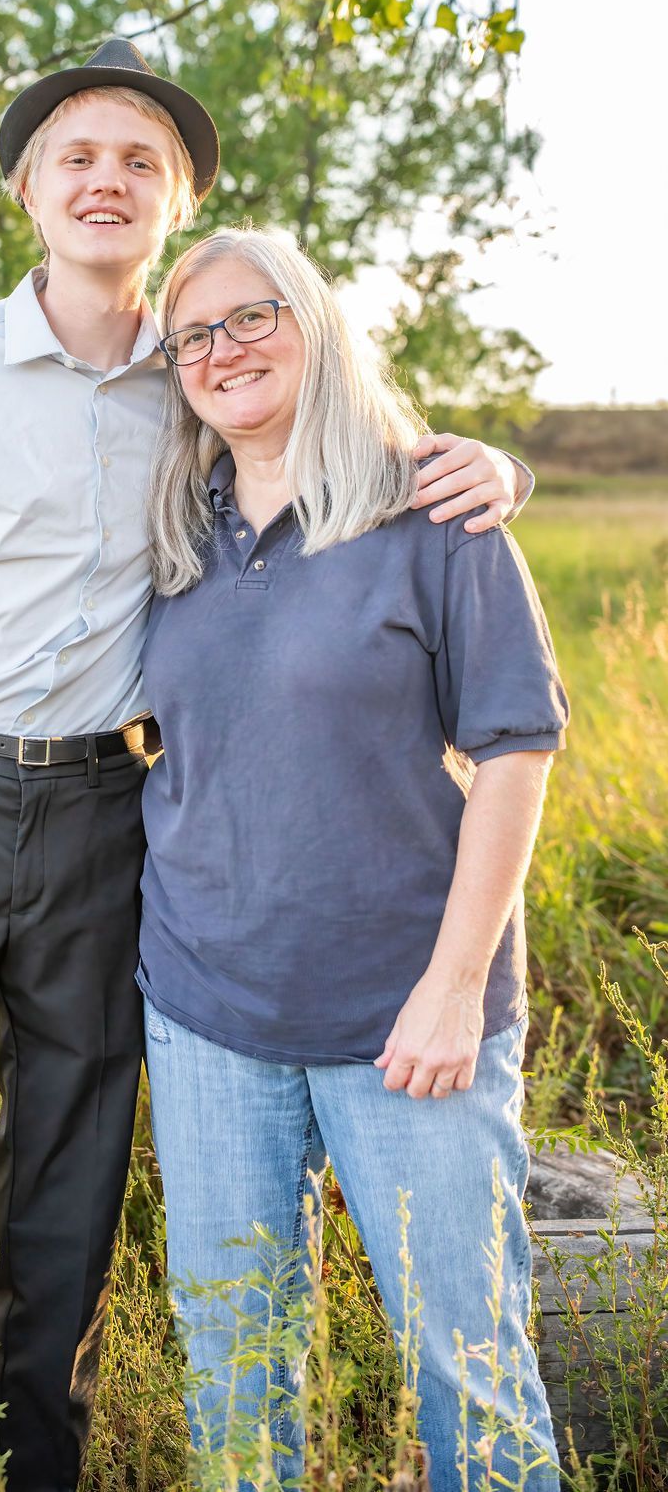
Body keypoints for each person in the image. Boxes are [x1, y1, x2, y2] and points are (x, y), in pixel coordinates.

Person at [0, 40, 536, 1490]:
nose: (107, 179)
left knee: (62, 1210)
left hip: (106, 820)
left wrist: (492, 463)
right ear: (30, 193)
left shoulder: (200, 380)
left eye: (141, 160)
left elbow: (350, 449)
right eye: (78, 156)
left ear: (179, 198)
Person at [138, 226, 569, 1492]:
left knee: (470, 1367)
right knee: (235, 1371)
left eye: (251, 316)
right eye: (194, 334)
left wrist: (452, 982)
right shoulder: (173, 530)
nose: (224, 350)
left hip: (407, 1010)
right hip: (209, 1011)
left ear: (314, 322)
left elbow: (516, 745)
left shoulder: (431, 503)